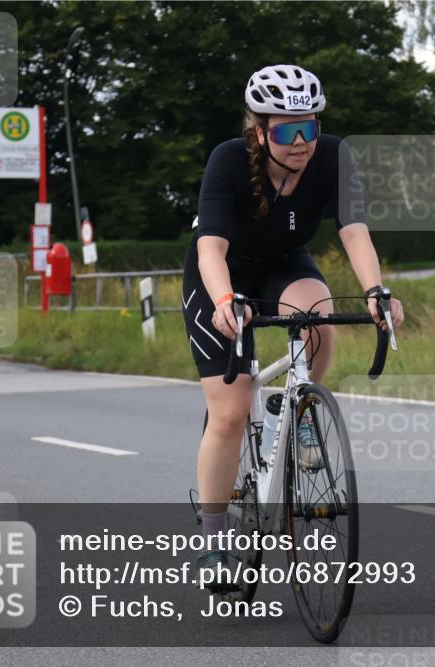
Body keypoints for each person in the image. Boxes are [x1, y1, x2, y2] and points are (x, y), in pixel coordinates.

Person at [181, 64, 404, 587]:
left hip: (284, 263)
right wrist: (222, 300)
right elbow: (211, 247)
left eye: (311, 126)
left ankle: (300, 403)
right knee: (231, 413)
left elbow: (354, 232)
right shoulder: (228, 161)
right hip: (220, 273)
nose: (302, 141)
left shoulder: (334, 156)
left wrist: (376, 291)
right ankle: (214, 540)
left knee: (319, 314)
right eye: (287, 130)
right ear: (259, 130)